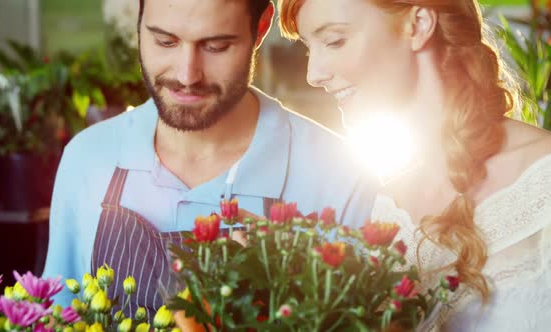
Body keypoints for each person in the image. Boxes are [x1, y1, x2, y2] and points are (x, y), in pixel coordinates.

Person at [42, 0, 377, 317]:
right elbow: (55, 316)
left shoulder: (341, 176)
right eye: (165, 41)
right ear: (139, 23)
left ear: (260, 30)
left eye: (216, 46)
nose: (188, 75)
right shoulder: (87, 158)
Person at [279, 0, 551, 330]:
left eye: (335, 41)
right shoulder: (388, 210)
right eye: (310, 48)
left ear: (419, 24)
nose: (313, 75)